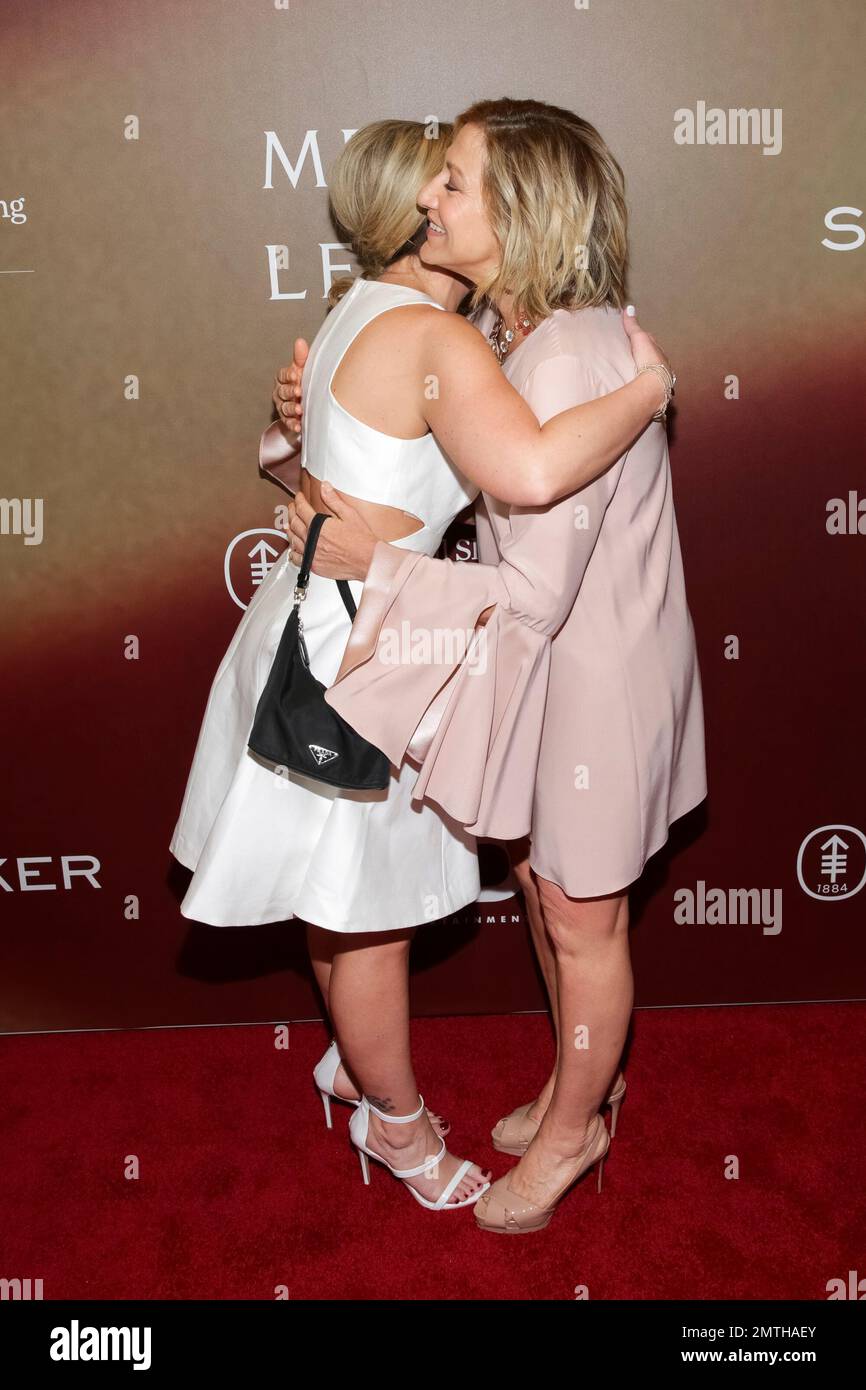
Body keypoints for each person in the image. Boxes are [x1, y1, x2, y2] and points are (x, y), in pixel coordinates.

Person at [171, 117, 672, 1215]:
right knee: (386, 910)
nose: (432, 203)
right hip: (393, 653)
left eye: (455, 183)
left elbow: (505, 538)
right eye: (433, 181)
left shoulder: (485, 333)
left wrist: (329, 502)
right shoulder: (463, 332)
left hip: (452, 651)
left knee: (417, 913)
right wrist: (644, 397)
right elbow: (487, 464)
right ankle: (428, 1111)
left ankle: (515, 1115)